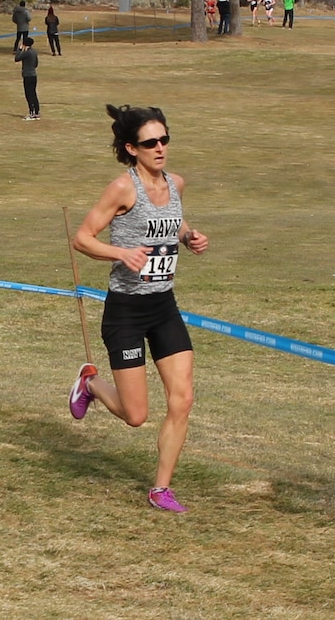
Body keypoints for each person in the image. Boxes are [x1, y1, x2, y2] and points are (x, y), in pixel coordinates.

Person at [68, 104, 209, 513]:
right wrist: (121, 253)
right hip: (126, 310)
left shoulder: (176, 184)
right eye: (151, 143)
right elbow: (82, 237)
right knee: (136, 415)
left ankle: (161, 489)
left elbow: (174, 222)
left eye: (165, 139)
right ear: (132, 148)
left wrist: (189, 238)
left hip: (164, 306)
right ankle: (90, 384)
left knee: (182, 399)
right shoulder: (122, 189)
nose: (160, 148)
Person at [14, 36, 39, 120]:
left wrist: (19, 49)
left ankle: (31, 112)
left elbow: (17, 58)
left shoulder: (27, 52)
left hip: (27, 75)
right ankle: (37, 112)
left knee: (28, 94)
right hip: (33, 75)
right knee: (34, 93)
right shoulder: (34, 52)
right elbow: (36, 64)